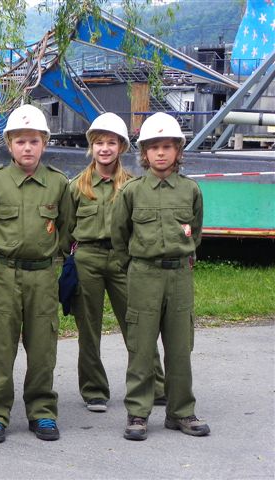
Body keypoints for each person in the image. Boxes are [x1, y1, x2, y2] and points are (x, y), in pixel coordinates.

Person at [111, 112, 210, 441]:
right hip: (144, 274)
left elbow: (195, 232)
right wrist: (135, 267)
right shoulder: (132, 192)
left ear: (178, 150)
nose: (161, 153)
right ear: (144, 153)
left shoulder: (190, 190)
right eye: (154, 147)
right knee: (141, 347)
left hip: (179, 276)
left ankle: (181, 411)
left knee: (180, 347)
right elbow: (119, 236)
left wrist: (181, 256)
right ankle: (138, 413)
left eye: (168, 146)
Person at [0, 104, 71, 444]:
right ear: (9, 144)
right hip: (4, 274)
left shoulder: (58, 184)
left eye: (34, 141)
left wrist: (54, 263)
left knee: (42, 346)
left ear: (44, 143)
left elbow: (66, 230)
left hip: (42, 276)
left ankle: (42, 411)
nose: (27, 148)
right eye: (20, 141)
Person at [66, 112, 165, 413]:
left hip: (124, 260)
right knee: (89, 328)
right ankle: (94, 389)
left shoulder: (133, 186)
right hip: (87, 259)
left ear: (121, 146)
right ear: (91, 147)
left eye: (111, 142)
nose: (105, 148)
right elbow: (65, 228)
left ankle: (155, 385)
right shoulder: (77, 186)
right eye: (99, 143)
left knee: (138, 325)